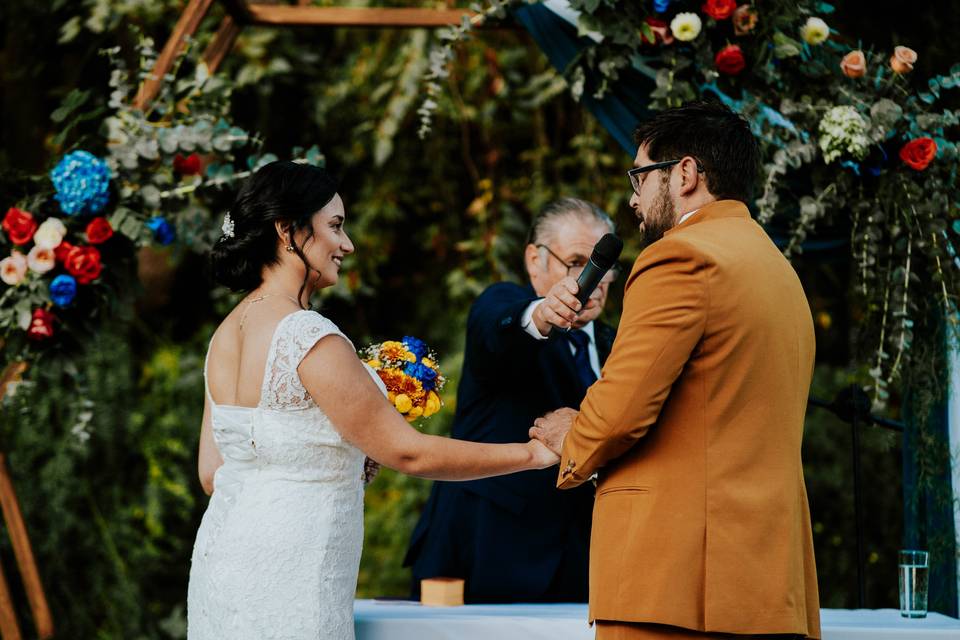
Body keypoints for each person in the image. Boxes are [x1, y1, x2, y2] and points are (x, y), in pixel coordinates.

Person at [186, 160, 558, 640]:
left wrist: (332, 458)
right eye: (335, 226)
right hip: (293, 573)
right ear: (288, 231)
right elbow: (409, 451)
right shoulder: (307, 334)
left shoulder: (223, 336)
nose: (347, 244)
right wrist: (534, 454)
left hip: (224, 565)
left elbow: (213, 475)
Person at [530, 101, 821, 640]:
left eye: (639, 176)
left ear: (685, 173)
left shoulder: (680, 258)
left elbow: (619, 413)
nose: (633, 197)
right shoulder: (777, 269)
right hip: (766, 584)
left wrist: (572, 438)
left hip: (674, 585)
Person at [404, 198, 618, 603]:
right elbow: (500, 327)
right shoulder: (503, 305)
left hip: (584, 566)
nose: (594, 279)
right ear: (535, 260)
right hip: (486, 556)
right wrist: (541, 316)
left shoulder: (619, 343)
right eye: (576, 262)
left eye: (603, 267)